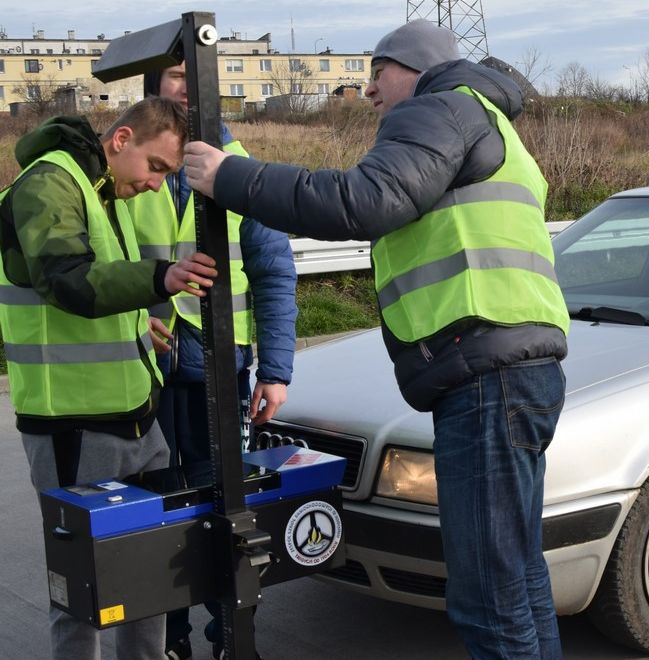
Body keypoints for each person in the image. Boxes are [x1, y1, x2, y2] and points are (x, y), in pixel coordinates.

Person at [183, 20, 569, 659]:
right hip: (513, 370)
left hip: (487, 378)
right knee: (518, 579)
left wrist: (231, 178)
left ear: (413, 70)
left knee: (486, 599)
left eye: (377, 73)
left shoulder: (440, 108)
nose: (367, 92)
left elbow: (364, 199)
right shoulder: (491, 122)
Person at [0, 98, 218, 660]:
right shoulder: (49, 183)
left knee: (147, 575)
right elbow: (66, 282)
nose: (155, 185)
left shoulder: (101, 187)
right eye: (157, 168)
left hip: (135, 419)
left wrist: (135, 321)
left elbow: (100, 284)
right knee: (83, 590)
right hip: (74, 423)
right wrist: (161, 279)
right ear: (121, 140)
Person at [127, 59, 298, 660]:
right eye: (174, 73)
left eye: (194, 71)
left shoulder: (240, 167)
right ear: (153, 86)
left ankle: (227, 636)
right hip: (143, 365)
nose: (187, 84)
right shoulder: (124, 158)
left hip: (218, 364)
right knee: (152, 509)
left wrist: (275, 369)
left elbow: (274, 269)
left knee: (221, 508)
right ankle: (166, 641)